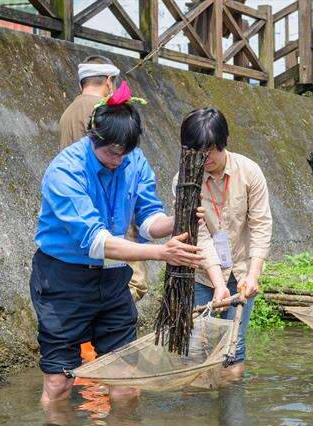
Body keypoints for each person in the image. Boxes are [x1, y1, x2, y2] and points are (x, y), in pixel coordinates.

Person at [32, 81, 205, 404]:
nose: (119, 160)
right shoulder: (65, 171)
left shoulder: (133, 161)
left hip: (112, 279)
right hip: (62, 280)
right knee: (59, 382)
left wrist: (177, 221)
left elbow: (149, 219)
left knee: (126, 380)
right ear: (93, 138)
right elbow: (95, 241)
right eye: (112, 152)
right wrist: (162, 254)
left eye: (125, 152)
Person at [177, 108, 272, 380]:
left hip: (241, 272)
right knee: (195, 351)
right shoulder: (184, 181)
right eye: (196, 151)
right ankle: (198, 417)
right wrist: (218, 283)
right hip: (201, 276)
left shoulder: (249, 171)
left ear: (223, 143)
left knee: (233, 352)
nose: (203, 158)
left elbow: (260, 225)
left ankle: (228, 414)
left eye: (209, 150)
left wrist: (253, 276)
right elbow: (202, 236)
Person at [58, 56, 149, 304]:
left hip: (81, 217)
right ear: (109, 82)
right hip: (109, 217)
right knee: (129, 283)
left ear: (81, 84)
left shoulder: (68, 114)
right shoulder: (106, 112)